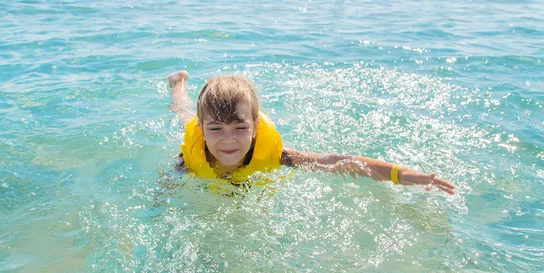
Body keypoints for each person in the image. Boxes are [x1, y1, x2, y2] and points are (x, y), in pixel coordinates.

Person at [167, 70, 455, 194]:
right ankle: (178, 84)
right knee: (182, 113)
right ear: (203, 131)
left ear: (255, 128)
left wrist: (400, 174)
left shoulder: (277, 156)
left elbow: (336, 161)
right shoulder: (191, 156)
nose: (228, 139)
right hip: (193, 152)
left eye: (240, 127)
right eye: (216, 129)